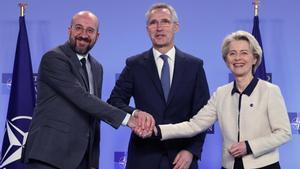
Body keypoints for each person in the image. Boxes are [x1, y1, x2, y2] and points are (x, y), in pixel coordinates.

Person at [22, 11, 154, 169]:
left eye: (90, 30)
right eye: (78, 28)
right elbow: (81, 97)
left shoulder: (97, 67)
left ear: (97, 36)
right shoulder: (54, 58)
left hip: (81, 160)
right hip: (49, 156)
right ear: (69, 30)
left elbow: (93, 114)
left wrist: (92, 160)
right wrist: (128, 120)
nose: (83, 34)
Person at [150, 30, 292, 169]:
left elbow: (284, 133)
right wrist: (157, 130)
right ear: (226, 60)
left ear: (254, 58)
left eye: (244, 53)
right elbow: (194, 125)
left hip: (265, 166)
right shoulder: (221, 93)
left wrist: (249, 146)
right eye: (232, 53)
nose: (237, 58)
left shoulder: (270, 91)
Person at [107, 3, 210, 169]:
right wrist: (135, 113)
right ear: (147, 29)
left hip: (181, 158)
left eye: (165, 22)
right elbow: (114, 102)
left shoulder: (194, 66)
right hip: (143, 157)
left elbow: (203, 115)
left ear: (176, 27)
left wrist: (191, 151)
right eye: (153, 23)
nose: (159, 28)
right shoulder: (134, 65)